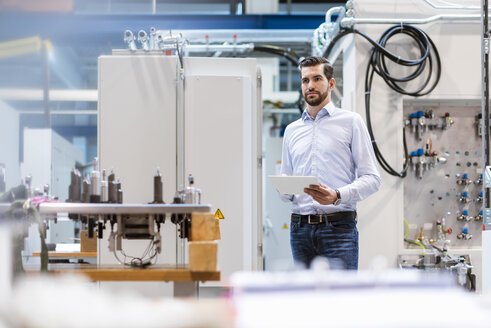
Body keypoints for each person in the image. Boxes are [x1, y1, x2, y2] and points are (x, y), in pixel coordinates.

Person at [280, 56, 381, 270]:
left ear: (331, 83)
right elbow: (286, 184)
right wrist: (284, 187)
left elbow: (372, 179)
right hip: (300, 229)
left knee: (341, 299)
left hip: (338, 228)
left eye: (317, 78)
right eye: (305, 80)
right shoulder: (292, 130)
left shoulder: (351, 122)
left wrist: (337, 195)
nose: (310, 85)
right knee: (304, 300)